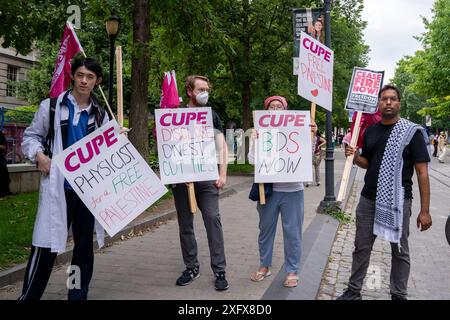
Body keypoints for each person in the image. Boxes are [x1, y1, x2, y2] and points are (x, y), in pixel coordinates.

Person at [19, 57, 109, 300]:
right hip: (58, 189)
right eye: (80, 75)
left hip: (86, 193)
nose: (84, 80)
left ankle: (76, 296)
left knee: (82, 250)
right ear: (72, 76)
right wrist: (39, 156)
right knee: (45, 246)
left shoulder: (101, 116)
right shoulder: (51, 107)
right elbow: (31, 137)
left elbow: (109, 154)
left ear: (97, 81)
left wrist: (117, 138)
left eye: (90, 77)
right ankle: (29, 296)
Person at [337, 84, 432, 300]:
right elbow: (368, 163)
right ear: (379, 104)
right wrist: (353, 155)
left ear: (399, 103)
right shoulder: (371, 131)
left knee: (399, 251)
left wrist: (424, 211)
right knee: (361, 247)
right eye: (384, 99)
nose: (388, 102)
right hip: (368, 198)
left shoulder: (412, 133)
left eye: (393, 99)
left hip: (398, 200)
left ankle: (398, 294)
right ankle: (353, 291)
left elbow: (422, 173)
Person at [248, 96, 317, 288]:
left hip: (293, 190)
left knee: (293, 232)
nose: (276, 109)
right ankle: (264, 266)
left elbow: (307, 158)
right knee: (265, 230)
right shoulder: (260, 132)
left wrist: (311, 135)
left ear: (286, 112)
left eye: (280, 107)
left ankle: (292, 270)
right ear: (265, 111)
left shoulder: (298, 132)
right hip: (268, 191)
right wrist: (255, 140)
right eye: (272, 107)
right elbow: (253, 160)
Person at [172, 75, 229, 291]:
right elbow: (168, 148)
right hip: (182, 179)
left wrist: (222, 174)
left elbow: (221, 146)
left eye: (207, 89)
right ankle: (191, 267)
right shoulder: (174, 115)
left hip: (206, 178)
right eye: (200, 89)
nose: (204, 93)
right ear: (189, 91)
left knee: (213, 220)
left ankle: (220, 270)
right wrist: (176, 173)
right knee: (185, 224)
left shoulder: (212, 115)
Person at [0, 130, 12, 199]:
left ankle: (3, 193)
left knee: (3, 173)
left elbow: (4, 147)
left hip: (0, 158)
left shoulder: (0, 134)